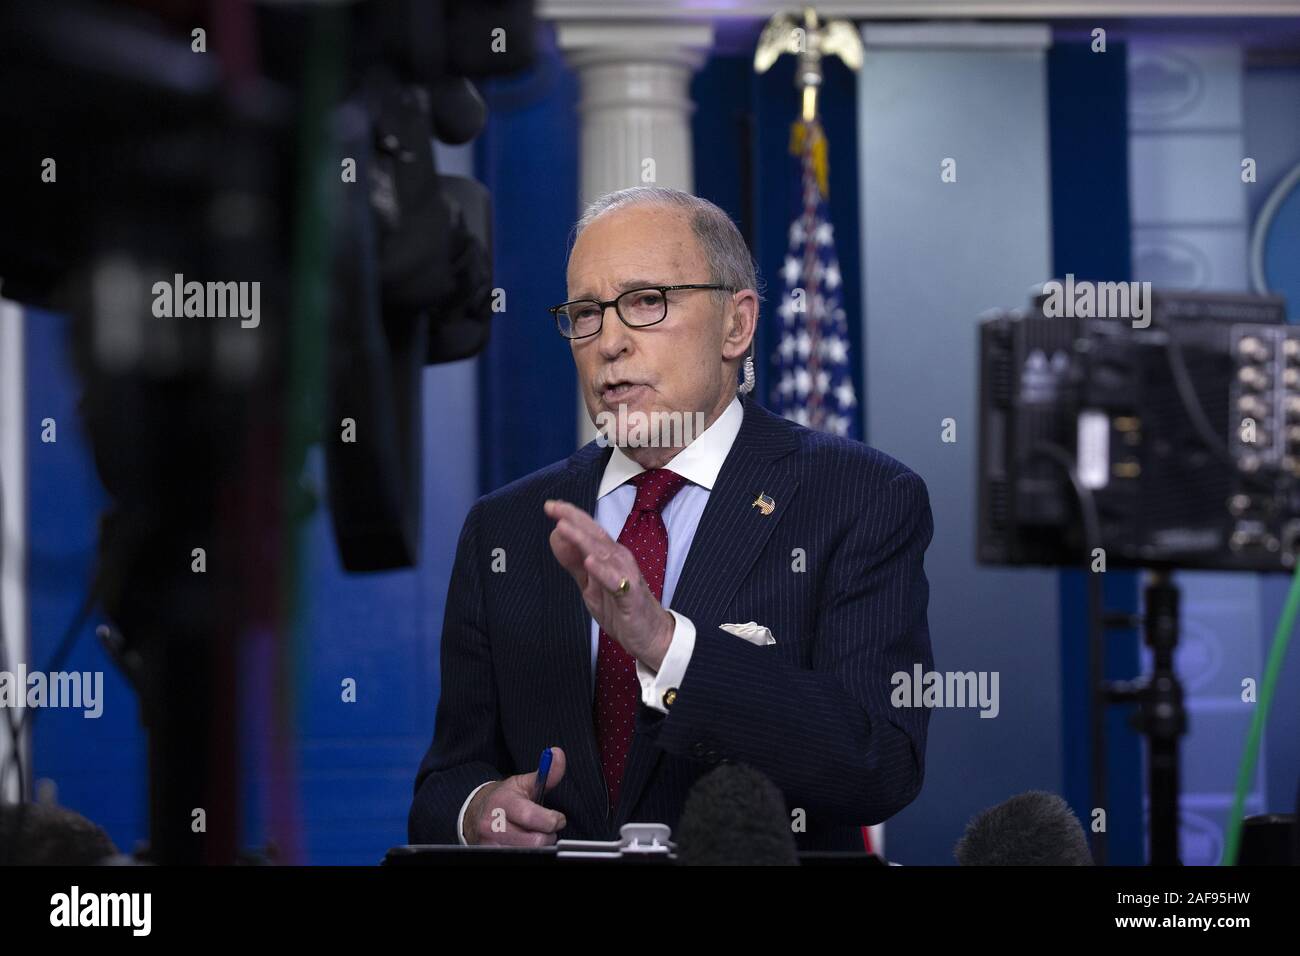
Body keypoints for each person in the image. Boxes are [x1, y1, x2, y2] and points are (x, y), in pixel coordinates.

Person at [408, 186, 934, 851]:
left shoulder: (860, 497)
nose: (609, 343)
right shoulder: (506, 527)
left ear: (737, 326)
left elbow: (879, 764)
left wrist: (665, 645)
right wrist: (477, 807)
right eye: (586, 313)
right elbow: (446, 779)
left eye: (646, 302)